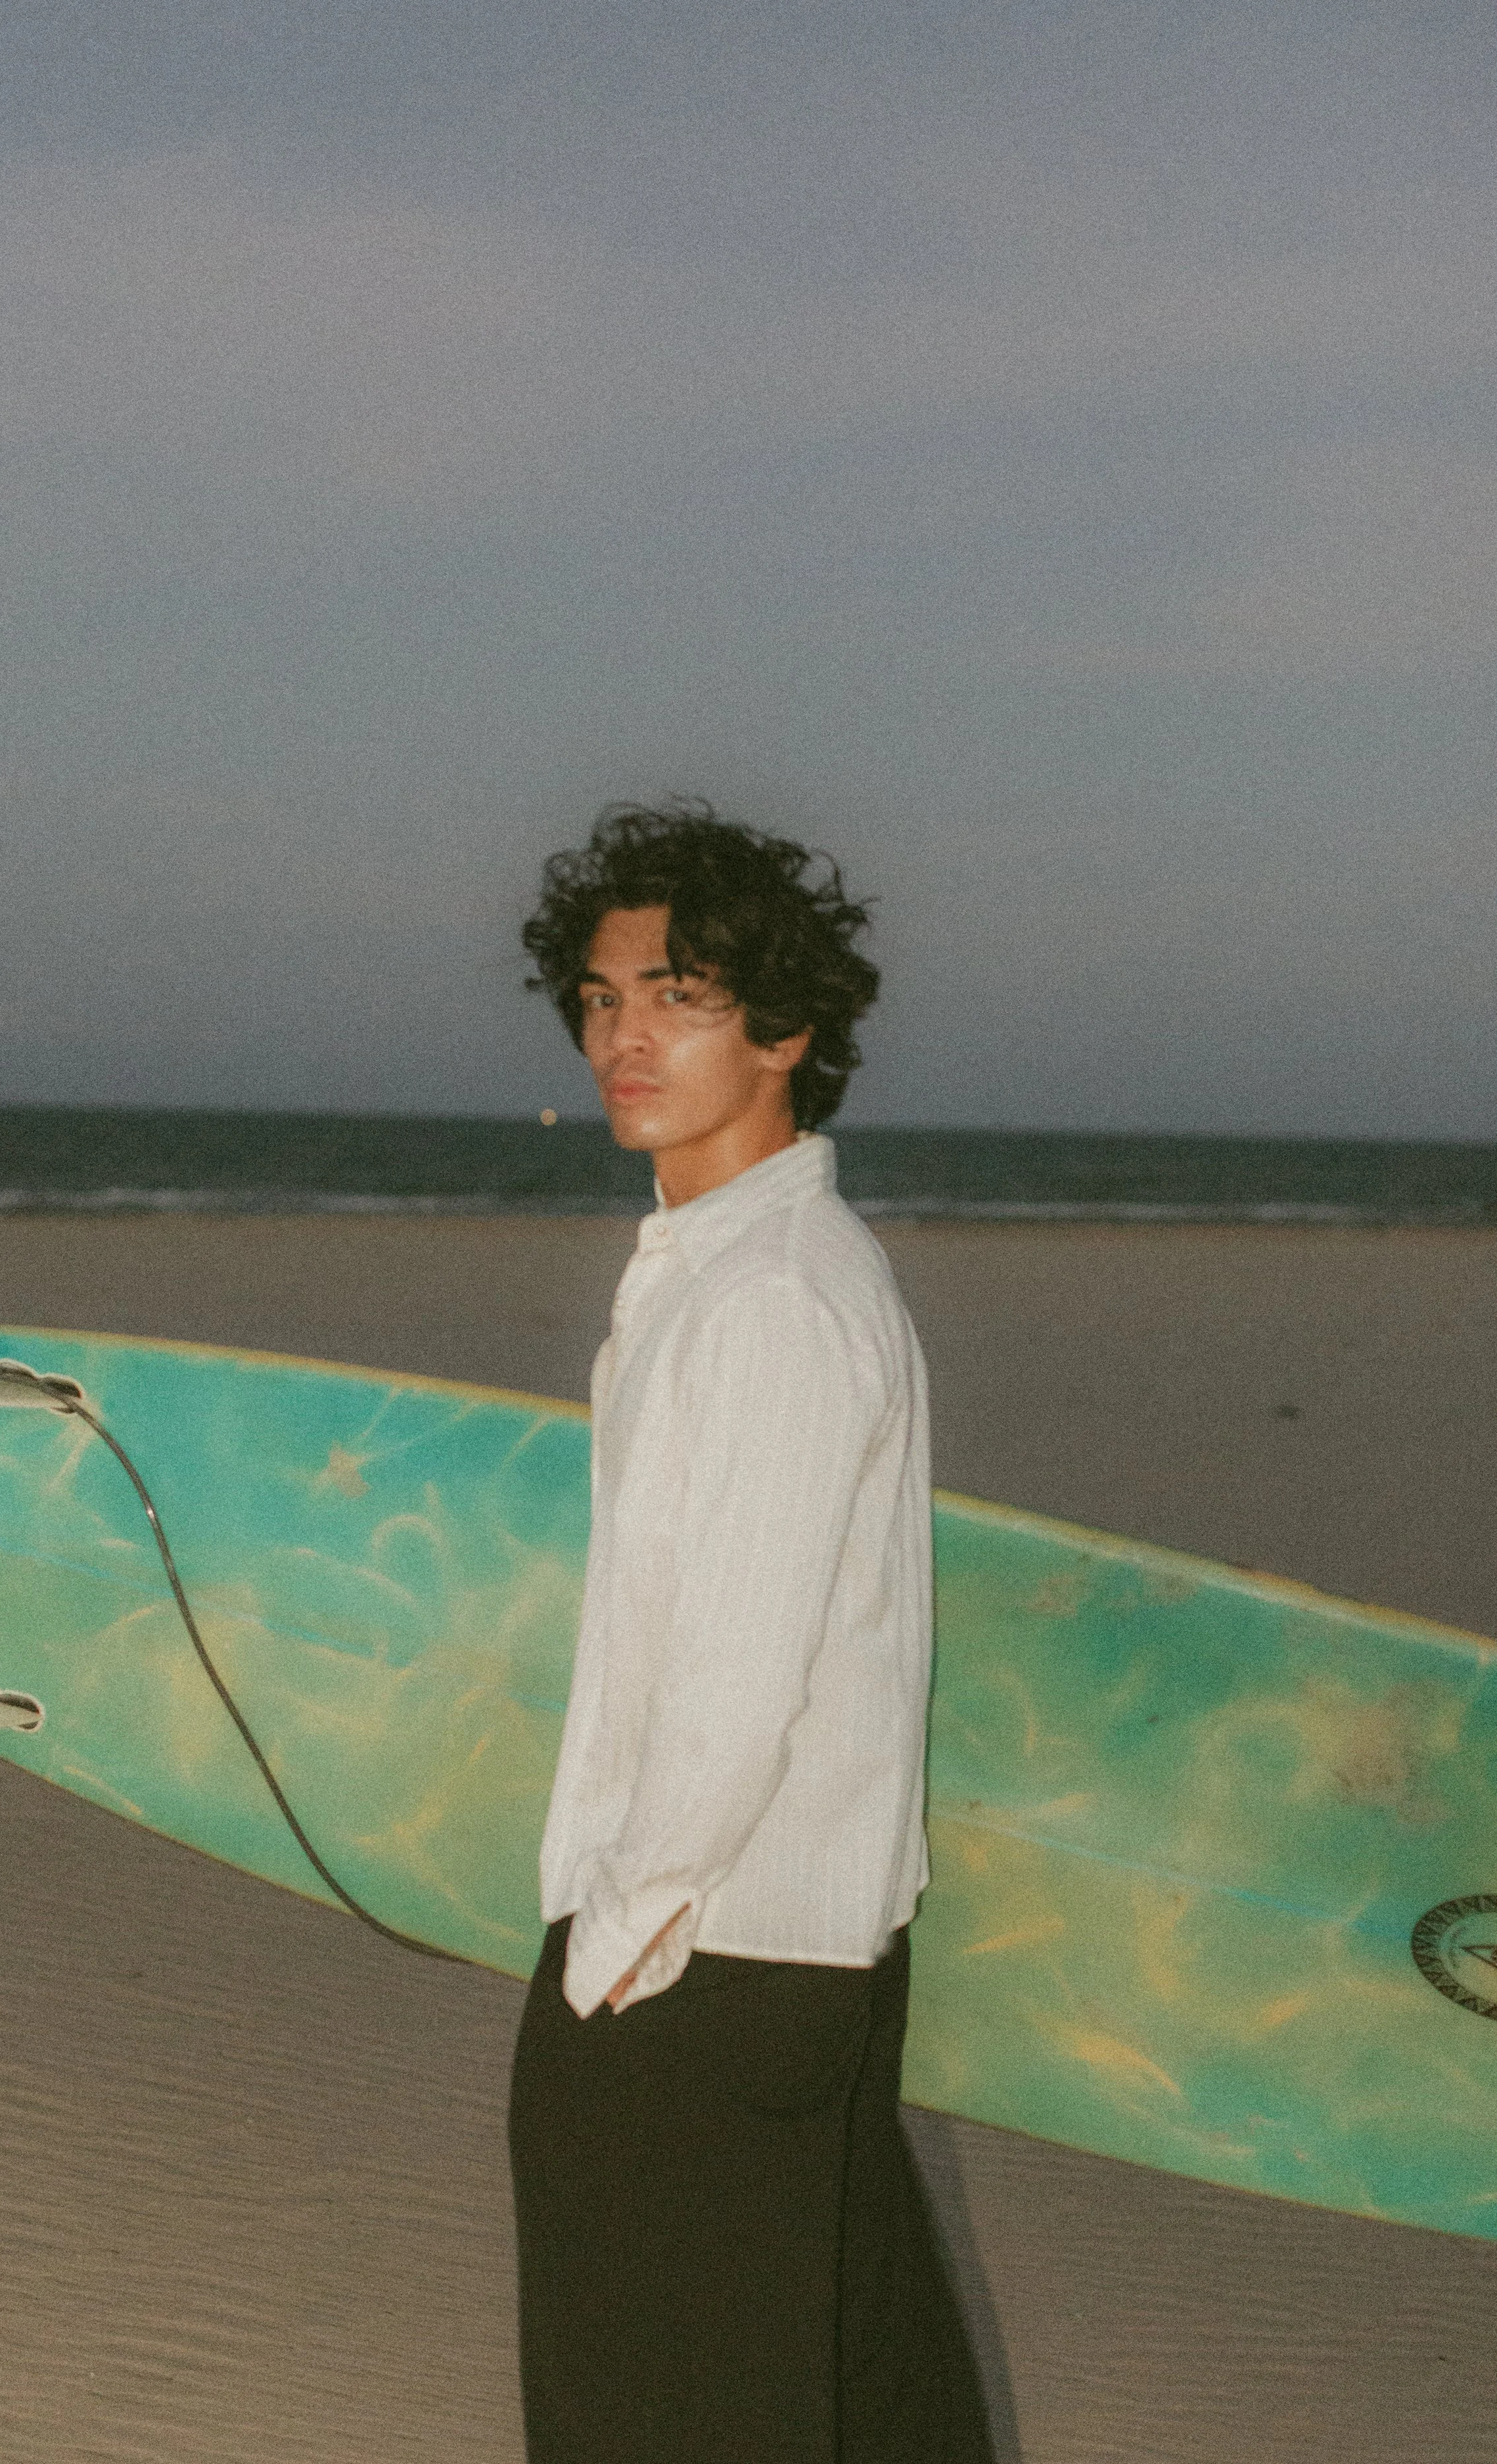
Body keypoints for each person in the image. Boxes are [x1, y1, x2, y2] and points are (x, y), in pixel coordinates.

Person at [508, 802, 992, 2463]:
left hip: (705, 1950)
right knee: (859, 2388)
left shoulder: (772, 1293)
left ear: (783, 1031)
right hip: (786, 1942)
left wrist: (621, 1935)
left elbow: (738, 1662)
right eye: (598, 997)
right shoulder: (736, 1264)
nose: (620, 1038)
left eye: (677, 996)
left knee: (652, 2408)